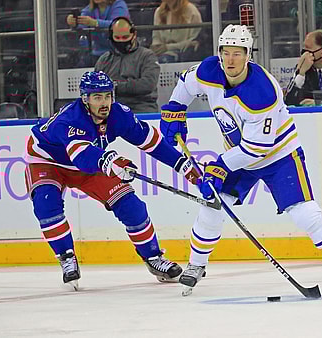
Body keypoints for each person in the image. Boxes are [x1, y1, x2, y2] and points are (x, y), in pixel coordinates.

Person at [159, 25, 322, 293]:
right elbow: (185, 85)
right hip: (238, 154)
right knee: (212, 205)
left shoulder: (263, 92)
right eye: (226, 52)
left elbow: (256, 149)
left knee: (305, 214)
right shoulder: (208, 70)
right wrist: (175, 108)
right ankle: (196, 264)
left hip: (279, 156)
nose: (231, 59)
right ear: (220, 53)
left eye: (238, 53)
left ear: (249, 55)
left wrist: (220, 166)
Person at [24, 71, 199, 289]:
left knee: (131, 206)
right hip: (47, 162)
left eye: (107, 96)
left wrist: (182, 165)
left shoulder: (120, 115)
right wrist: (110, 160)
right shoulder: (70, 120)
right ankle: (67, 257)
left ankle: (154, 258)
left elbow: (150, 141)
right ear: (85, 99)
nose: (104, 102)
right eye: (97, 97)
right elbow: (82, 158)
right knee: (46, 204)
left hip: (91, 160)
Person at [94, 17, 160, 113]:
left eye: (125, 37)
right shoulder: (105, 59)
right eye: (117, 38)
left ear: (134, 35)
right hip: (112, 109)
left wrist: (115, 86)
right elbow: (95, 85)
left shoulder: (147, 56)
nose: (121, 41)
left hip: (141, 107)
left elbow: (148, 84)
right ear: (111, 36)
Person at [66, 0, 129, 66]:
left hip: (118, 53)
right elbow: (81, 25)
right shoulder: (90, 9)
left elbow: (118, 24)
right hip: (97, 53)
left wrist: (95, 23)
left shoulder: (119, 4)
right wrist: (74, 23)